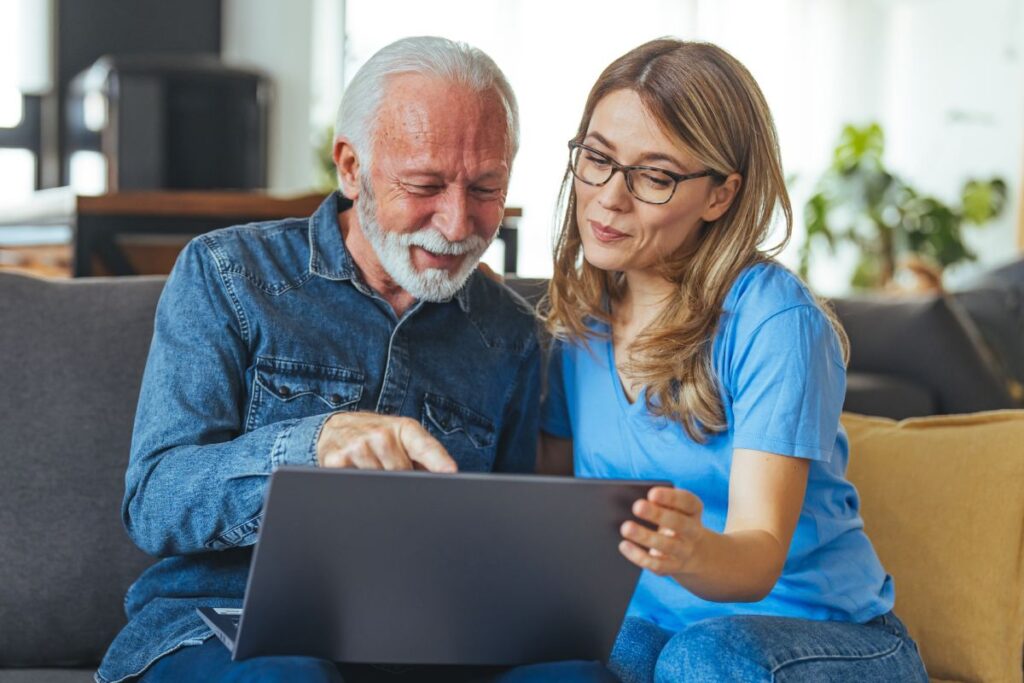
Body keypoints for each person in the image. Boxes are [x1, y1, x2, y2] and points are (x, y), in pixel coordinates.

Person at [97, 36, 614, 683]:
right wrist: (314, 444)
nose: (458, 225)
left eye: (486, 187)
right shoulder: (228, 273)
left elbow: (501, 550)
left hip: (426, 644)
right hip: (214, 624)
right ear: (350, 166)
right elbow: (155, 501)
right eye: (425, 185)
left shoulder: (509, 333)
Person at [539, 39, 930, 683]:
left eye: (655, 176)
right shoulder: (579, 324)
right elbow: (541, 496)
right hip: (664, 634)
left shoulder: (772, 319)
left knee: (704, 658)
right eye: (598, 159)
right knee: (591, 652)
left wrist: (691, 550)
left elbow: (758, 558)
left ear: (719, 195)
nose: (610, 196)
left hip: (825, 640)